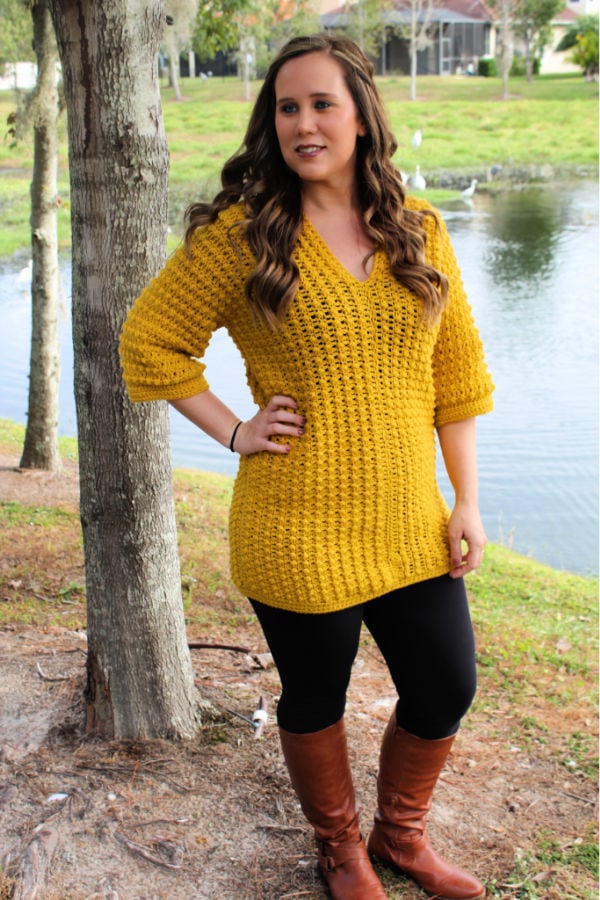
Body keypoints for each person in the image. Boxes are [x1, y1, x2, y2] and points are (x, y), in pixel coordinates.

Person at [120, 33, 494, 900]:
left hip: (408, 518)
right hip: (296, 520)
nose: (303, 123)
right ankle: (340, 850)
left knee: (446, 685)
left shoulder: (420, 230)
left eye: (322, 103)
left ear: (362, 116)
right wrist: (234, 429)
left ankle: (400, 836)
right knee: (315, 696)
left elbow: (457, 378)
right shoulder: (243, 237)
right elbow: (152, 339)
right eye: (287, 107)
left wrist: (467, 499)